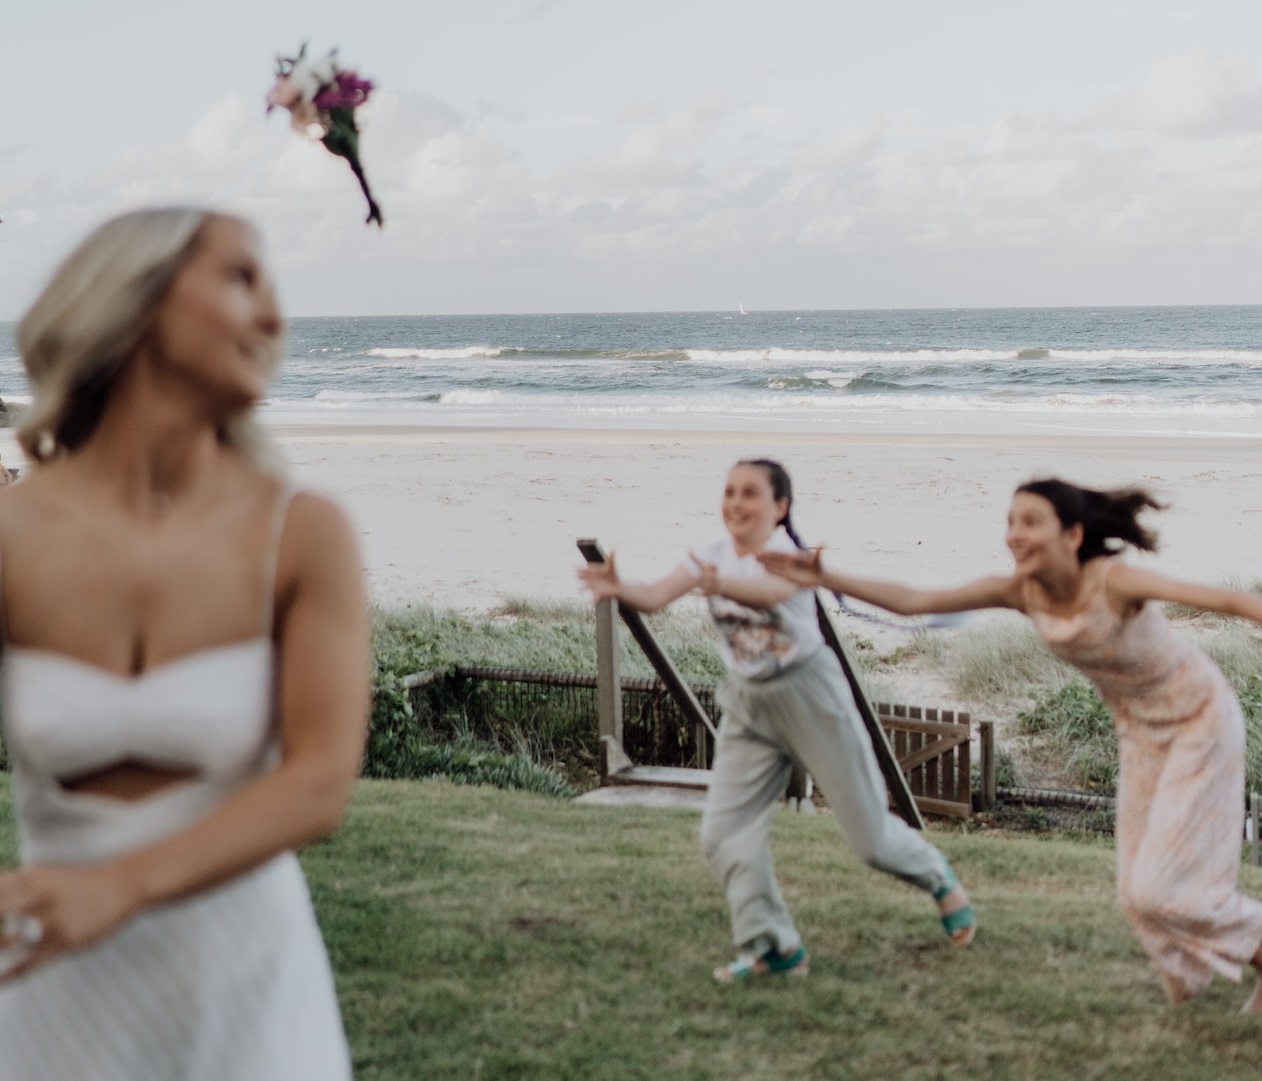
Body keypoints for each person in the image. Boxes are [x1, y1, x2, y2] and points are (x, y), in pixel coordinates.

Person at [0, 207, 370, 1077]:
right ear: (134, 299)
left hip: (247, 982)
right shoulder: (12, 533)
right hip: (53, 982)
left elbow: (317, 781)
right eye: (241, 278)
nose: (274, 318)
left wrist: (119, 886)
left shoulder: (304, 532)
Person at [760, 477, 1262, 1011]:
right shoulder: (1021, 589)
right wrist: (825, 575)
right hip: (1138, 732)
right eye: (1010, 522)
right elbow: (916, 601)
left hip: (1199, 721)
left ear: (1071, 535)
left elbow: (1227, 598)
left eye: (1030, 522)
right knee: (1134, 896)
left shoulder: (1112, 581)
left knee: (1160, 888)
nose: (1015, 535)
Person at [578, 459, 974, 983]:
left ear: (779, 507)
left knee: (870, 840)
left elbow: (767, 594)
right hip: (749, 703)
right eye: (729, 492)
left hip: (811, 694)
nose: (735, 503)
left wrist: (722, 584)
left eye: (749, 494)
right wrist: (617, 585)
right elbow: (653, 598)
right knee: (723, 834)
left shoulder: (789, 558)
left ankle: (939, 879)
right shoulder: (710, 556)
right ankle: (775, 947)